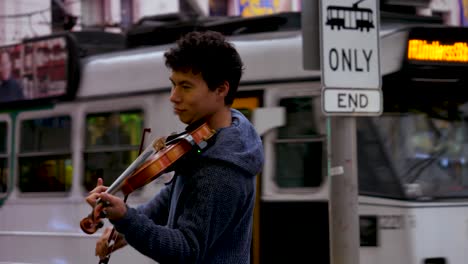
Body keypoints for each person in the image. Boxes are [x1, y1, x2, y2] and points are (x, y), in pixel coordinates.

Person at [85, 31, 264, 263]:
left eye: (185, 87)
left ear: (221, 89)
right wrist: (125, 227)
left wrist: (127, 219)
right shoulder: (215, 138)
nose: (173, 96)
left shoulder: (220, 170)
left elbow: (186, 250)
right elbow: (172, 195)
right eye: (173, 84)